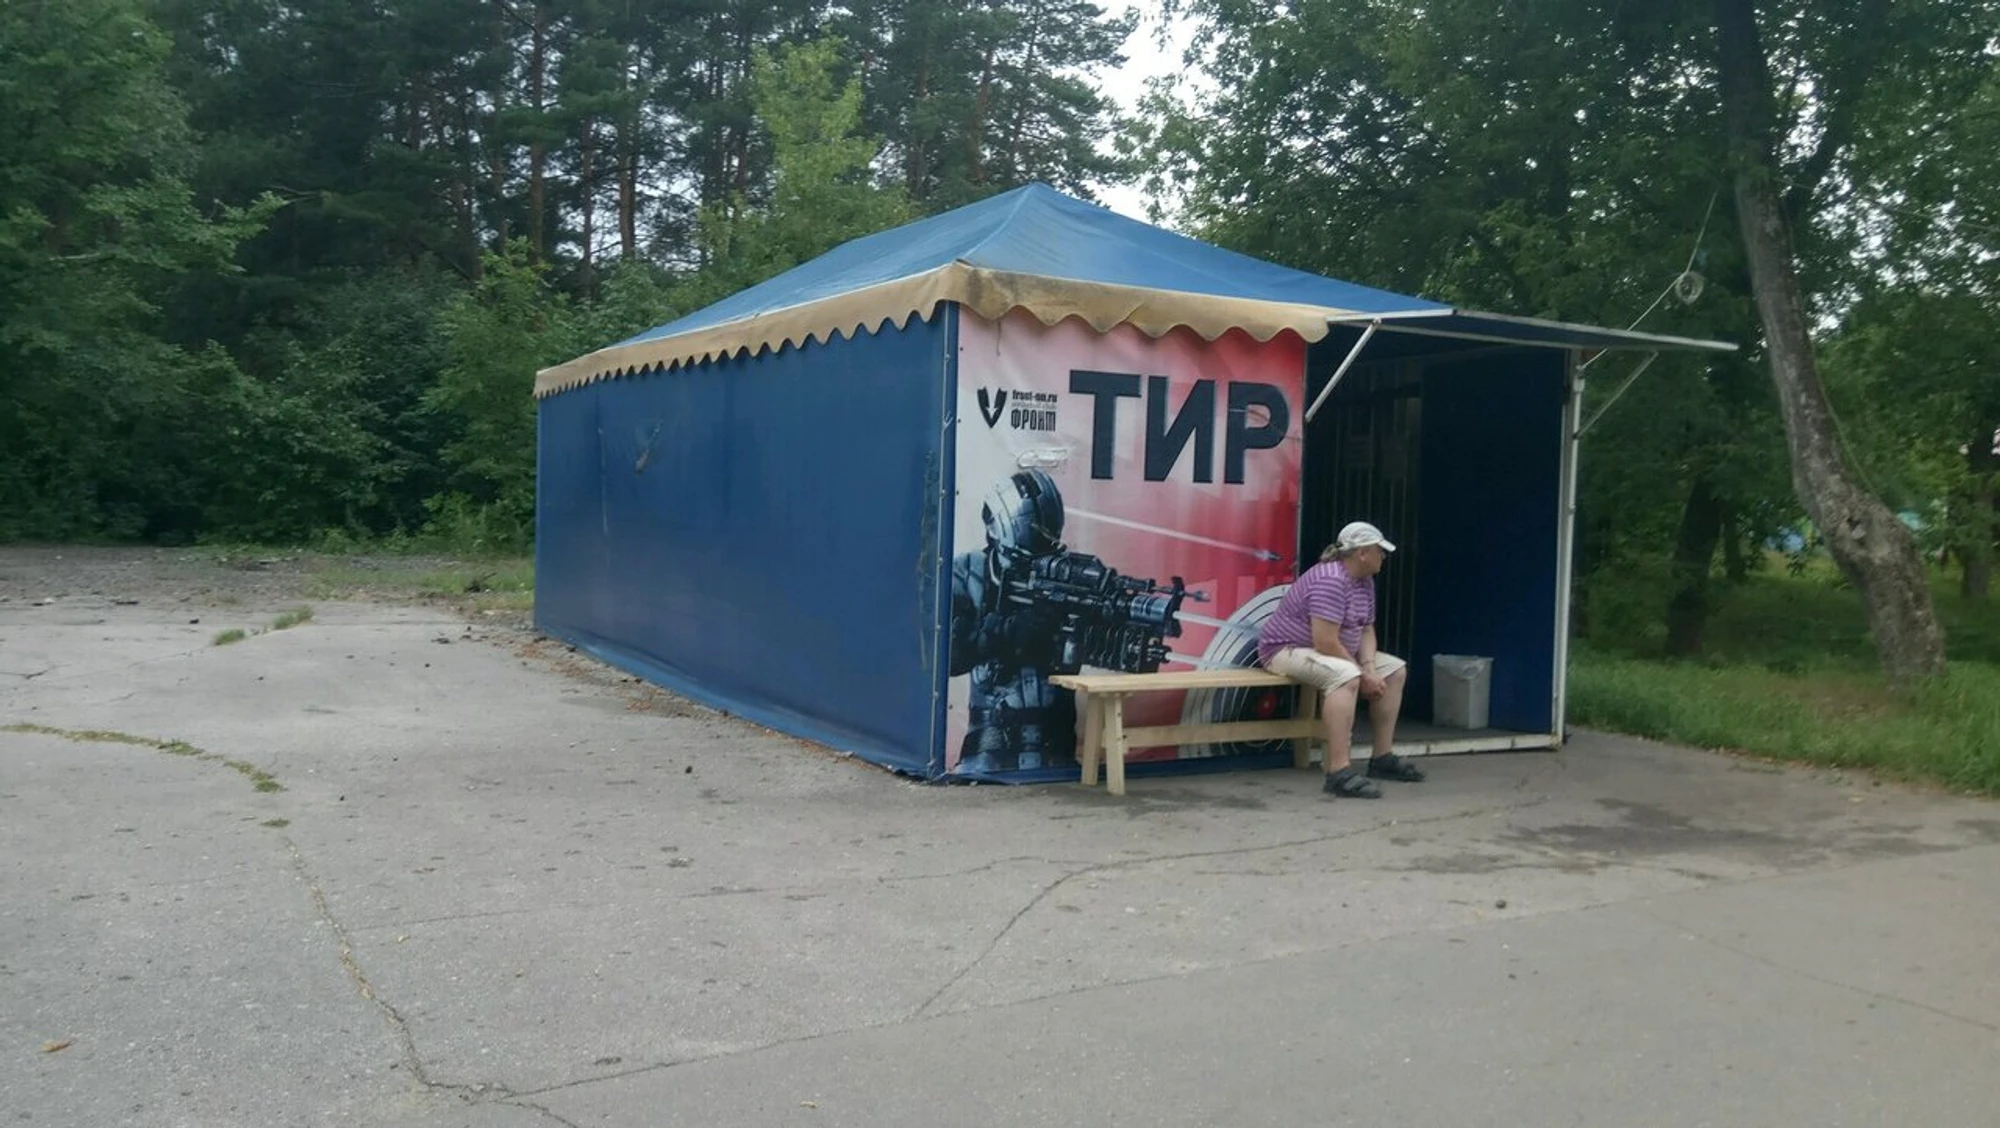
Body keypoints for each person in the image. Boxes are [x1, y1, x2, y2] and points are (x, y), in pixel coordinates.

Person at [1256, 521, 1426, 798]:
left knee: (1395, 670)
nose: (1383, 556)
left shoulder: (1364, 580)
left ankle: (1382, 758)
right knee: (1346, 676)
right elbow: (1324, 641)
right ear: (1362, 553)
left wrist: (1370, 668)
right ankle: (1338, 772)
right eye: (1379, 550)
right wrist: (1362, 673)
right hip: (1285, 650)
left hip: (1332, 650)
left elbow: (1367, 628)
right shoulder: (1331, 579)